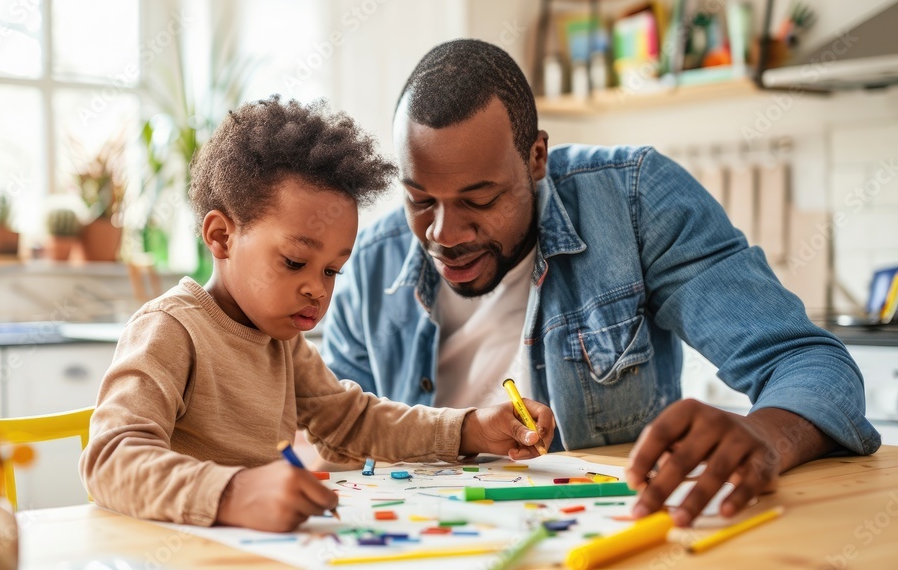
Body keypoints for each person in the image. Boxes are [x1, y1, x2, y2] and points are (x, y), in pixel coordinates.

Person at [320, 39, 880, 527]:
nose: (443, 233)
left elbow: (810, 362)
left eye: (480, 199)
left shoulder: (634, 201)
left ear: (536, 156)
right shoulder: (368, 263)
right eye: (419, 199)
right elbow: (338, 439)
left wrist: (767, 435)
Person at [79, 96, 555, 532]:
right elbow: (110, 459)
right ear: (222, 236)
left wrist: (471, 427)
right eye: (293, 262)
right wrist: (233, 492)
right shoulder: (171, 329)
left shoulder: (282, 340)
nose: (316, 289)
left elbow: (352, 421)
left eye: (333, 271)